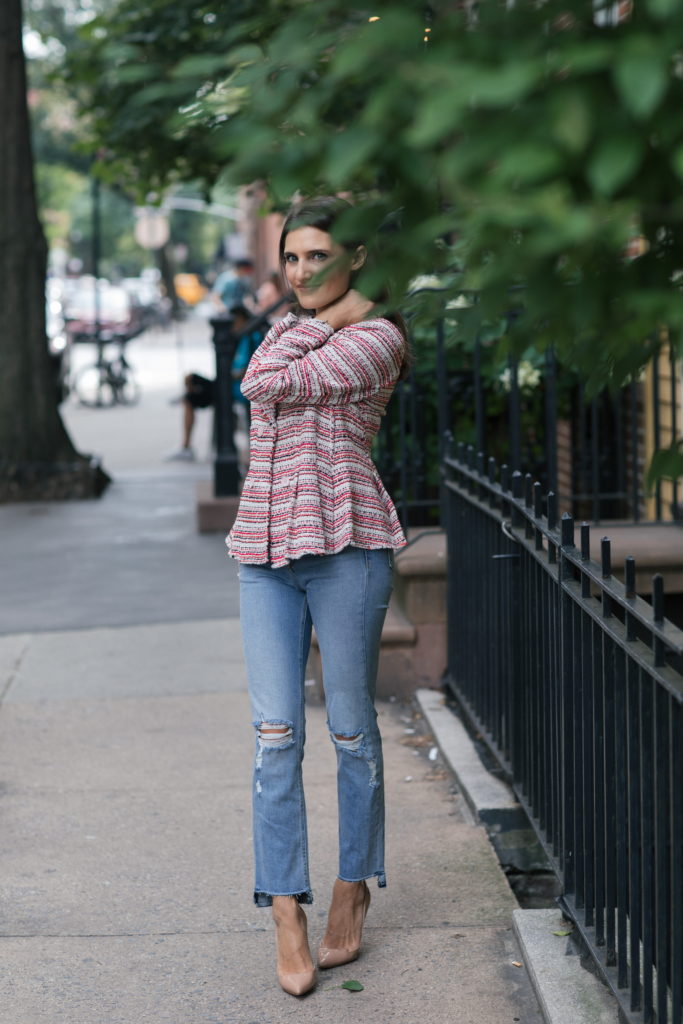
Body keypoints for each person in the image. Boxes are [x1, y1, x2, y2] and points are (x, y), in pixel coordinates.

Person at [227, 196, 408, 996]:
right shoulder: (304, 329)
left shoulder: (377, 338)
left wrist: (339, 318)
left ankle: (350, 888)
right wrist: (325, 313)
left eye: (318, 258)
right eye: (292, 259)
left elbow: (271, 381)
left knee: (349, 733)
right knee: (274, 741)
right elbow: (257, 381)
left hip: (347, 549)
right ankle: (285, 911)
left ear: (357, 257)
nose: (301, 273)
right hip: (262, 553)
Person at [165, 305, 262, 462]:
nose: (232, 326)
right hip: (224, 382)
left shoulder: (253, 337)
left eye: (235, 321)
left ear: (242, 319)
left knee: (189, 398)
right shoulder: (237, 337)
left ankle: (189, 442)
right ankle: (189, 397)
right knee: (190, 378)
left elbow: (255, 366)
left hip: (233, 387)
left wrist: (232, 375)